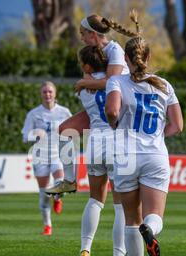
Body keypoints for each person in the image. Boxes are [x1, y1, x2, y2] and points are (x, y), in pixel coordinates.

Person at [105, 11, 184, 256]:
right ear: (148, 58)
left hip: (125, 156)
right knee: (154, 217)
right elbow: (178, 125)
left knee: (130, 218)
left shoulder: (117, 81)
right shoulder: (164, 85)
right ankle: (151, 230)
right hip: (155, 155)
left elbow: (112, 110)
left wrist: (115, 124)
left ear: (126, 59)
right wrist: (156, 136)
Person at [46, 13, 134, 195]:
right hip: (103, 109)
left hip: (119, 111)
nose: (81, 37)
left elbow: (113, 81)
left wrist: (85, 83)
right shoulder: (95, 52)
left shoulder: (114, 50)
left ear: (93, 34)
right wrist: (88, 79)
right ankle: (69, 181)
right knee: (65, 130)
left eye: (82, 33)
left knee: (114, 194)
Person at [76, 45, 132, 256]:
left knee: (95, 200)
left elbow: (89, 81)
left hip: (95, 141)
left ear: (88, 66)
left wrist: (86, 77)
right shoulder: (119, 82)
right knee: (121, 206)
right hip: (117, 141)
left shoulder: (82, 89)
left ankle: (85, 249)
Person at [21, 81, 72, 236]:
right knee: (44, 194)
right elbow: (24, 136)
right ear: (41, 94)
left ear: (55, 93)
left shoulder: (64, 112)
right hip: (40, 157)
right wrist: (34, 133)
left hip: (58, 154)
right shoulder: (34, 114)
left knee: (60, 183)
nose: (47, 94)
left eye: (50, 91)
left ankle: (57, 197)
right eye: (44, 92)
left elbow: (73, 130)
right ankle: (47, 226)